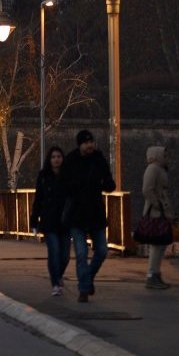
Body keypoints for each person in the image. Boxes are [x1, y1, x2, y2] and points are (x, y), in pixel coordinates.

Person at [62, 130, 116, 303]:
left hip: (95, 213)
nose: (89, 145)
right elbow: (64, 185)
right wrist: (79, 185)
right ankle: (83, 290)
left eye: (91, 141)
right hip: (77, 214)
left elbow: (109, 183)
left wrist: (104, 183)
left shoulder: (99, 159)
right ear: (80, 145)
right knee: (81, 253)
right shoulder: (71, 160)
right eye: (86, 143)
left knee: (101, 251)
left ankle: (88, 277)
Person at [31, 147, 70, 296]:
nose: (56, 159)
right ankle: (55, 283)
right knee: (54, 252)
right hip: (49, 221)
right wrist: (34, 221)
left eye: (59, 156)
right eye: (53, 157)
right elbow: (38, 199)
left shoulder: (68, 176)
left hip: (65, 221)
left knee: (65, 255)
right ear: (49, 159)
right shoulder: (43, 176)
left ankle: (58, 275)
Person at [141, 146, 172, 290]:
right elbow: (147, 189)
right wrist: (157, 204)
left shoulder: (159, 168)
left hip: (161, 210)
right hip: (156, 211)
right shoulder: (153, 169)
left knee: (161, 244)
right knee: (157, 243)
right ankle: (152, 274)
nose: (166, 156)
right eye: (164, 154)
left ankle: (155, 273)